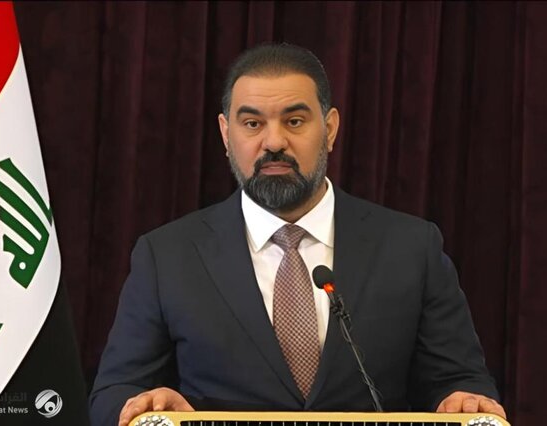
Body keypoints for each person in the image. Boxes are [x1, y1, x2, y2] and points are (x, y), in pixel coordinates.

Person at [89, 43, 506, 426]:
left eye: (294, 121)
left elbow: (459, 381)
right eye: (252, 123)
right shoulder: (167, 256)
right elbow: (113, 393)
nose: (274, 142)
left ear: (330, 128)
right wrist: (146, 407)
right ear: (226, 134)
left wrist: (462, 402)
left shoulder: (411, 247)